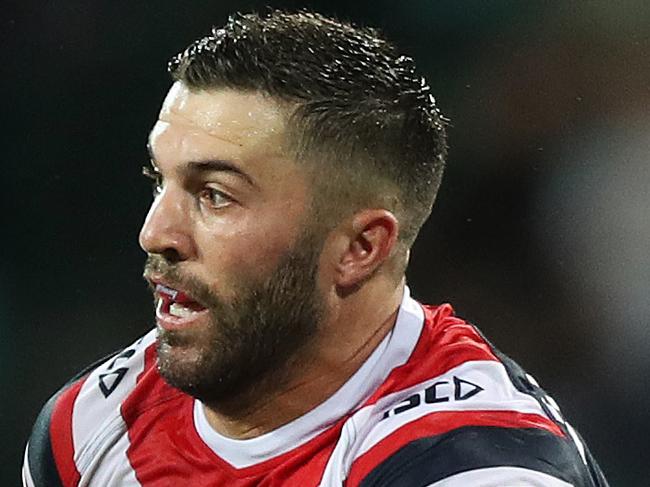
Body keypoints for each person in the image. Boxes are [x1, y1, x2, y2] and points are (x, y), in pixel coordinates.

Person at [22, 10, 609, 487]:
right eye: (161, 181)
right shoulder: (89, 432)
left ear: (360, 247)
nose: (156, 234)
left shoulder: (472, 465)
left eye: (216, 195)